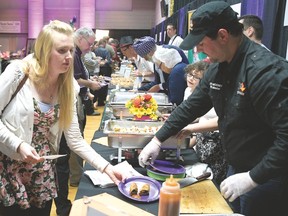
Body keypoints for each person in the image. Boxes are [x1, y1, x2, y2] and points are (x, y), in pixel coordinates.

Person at [138, 2, 288, 216]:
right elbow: (191, 107)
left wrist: (253, 177)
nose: (197, 50)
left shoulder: (266, 72)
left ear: (223, 35)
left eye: (201, 42)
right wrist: (158, 139)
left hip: (266, 176)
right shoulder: (218, 67)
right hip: (236, 167)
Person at [0, 20, 125, 216]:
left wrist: (106, 167)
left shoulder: (69, 87)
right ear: (44, 50)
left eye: (71, 50)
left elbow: (75, 139)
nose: (68, 57)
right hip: (9, 170)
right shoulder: (18, 72)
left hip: (42, 174)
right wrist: (18, 145)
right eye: (61, 50)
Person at [178, 61, 227, 185]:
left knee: (212, 180)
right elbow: (193, 114)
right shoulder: (188, 91)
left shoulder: (216, 94)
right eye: (189, 75)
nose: (191, 79)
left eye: (196, 77)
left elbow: (220, 120)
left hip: (215, 140)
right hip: (200, 138)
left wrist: (191, 129)